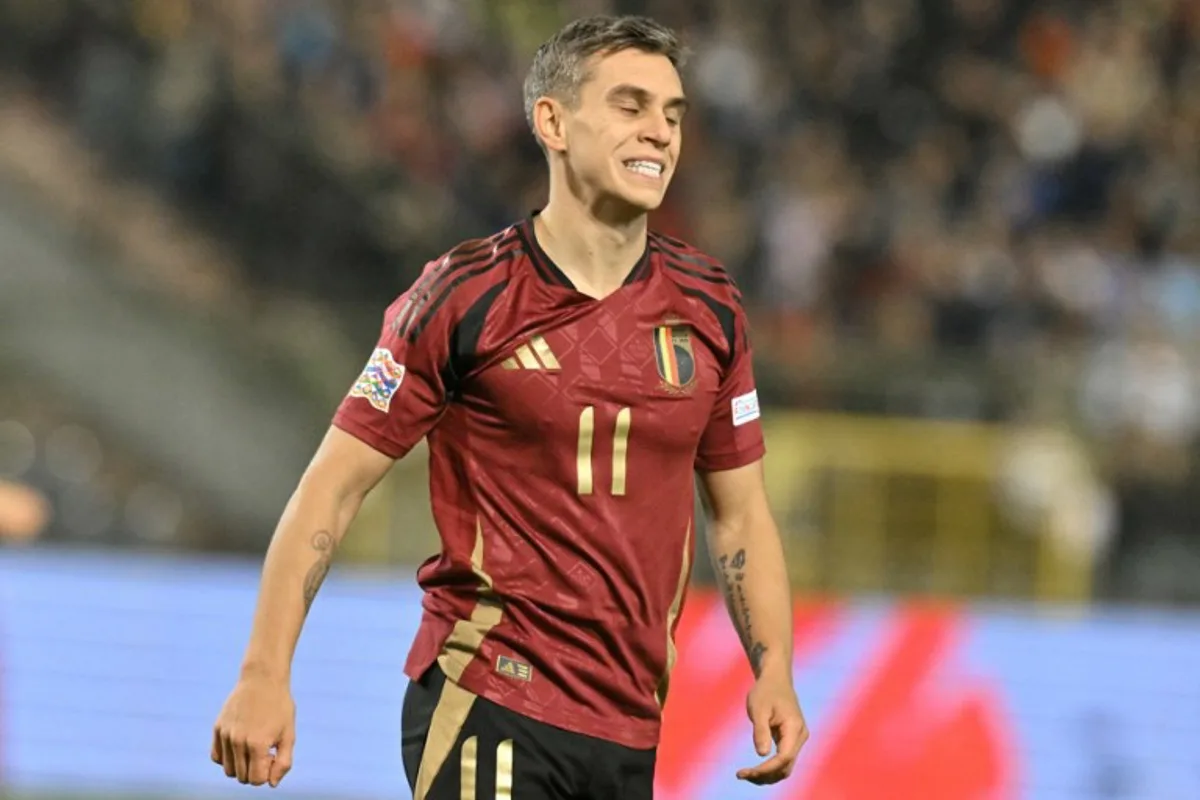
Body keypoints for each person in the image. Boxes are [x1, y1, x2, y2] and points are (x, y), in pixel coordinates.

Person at [211, 14, 807, 799]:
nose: (659, 133)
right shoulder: (464, 296)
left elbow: (741, 517)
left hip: (630, 726)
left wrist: (775, 671)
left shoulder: (710, 306)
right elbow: (333, 483)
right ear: (552, 122)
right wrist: (263, 673)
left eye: (672, 114)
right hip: (488, 698)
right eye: (630, 106)